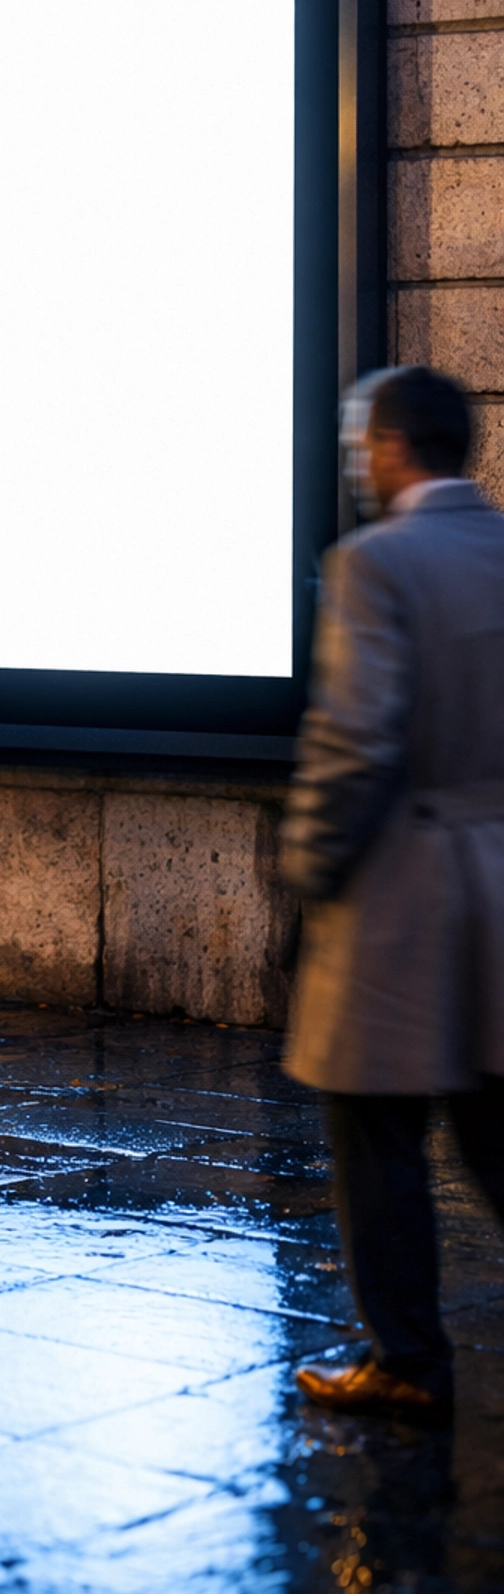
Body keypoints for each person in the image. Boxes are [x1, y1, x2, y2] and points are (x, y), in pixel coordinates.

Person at [282, 365, 504, 1424]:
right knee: (495, 1127)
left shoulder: (376, 564)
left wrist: (310, 869)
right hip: (498, 884)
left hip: (404, 896)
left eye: (365, 445)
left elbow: (357, 743)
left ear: (392, 446)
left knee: (376, 1133)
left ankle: (409, 1359)